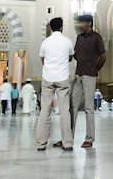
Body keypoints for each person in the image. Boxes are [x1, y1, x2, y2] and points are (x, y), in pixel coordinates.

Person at [36, 17, 75, 151]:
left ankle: (41, 143)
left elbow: (43, 58)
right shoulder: (67, 41)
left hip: (48, 78)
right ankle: (68, 143)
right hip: (63, 78)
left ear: (51, 28)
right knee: (64, 110)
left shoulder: (45, 42)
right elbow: (71, 56)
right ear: (62, 27)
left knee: (45, 110)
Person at [70, 14, 106, 148]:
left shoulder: (96, 38)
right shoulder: (79, 38)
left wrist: (94, 69)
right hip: (78, 75)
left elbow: (103, 57)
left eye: (81, 23)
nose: (79, 25)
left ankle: (89, 138)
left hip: (89, 75)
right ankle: (69, 136)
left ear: (89, 23)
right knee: (72, 106)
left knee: (89, 107)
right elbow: (76, 55)